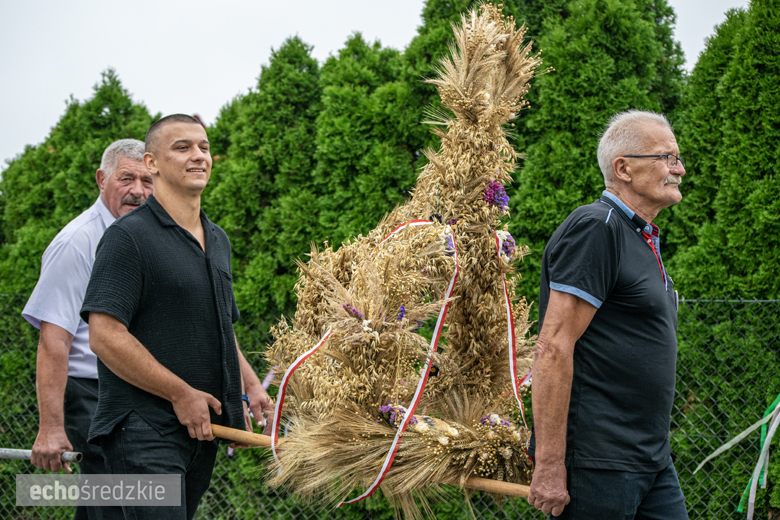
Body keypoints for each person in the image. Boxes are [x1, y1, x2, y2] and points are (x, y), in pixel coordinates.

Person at [80, 114, 273, 520]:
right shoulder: (128, 237)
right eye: (182, 147)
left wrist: (251, 385)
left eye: (203, 147)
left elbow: (221, 325)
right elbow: (104, 335)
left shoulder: (217, 238)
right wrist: (179, 393)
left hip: (201, 429)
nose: (197, 156)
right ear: (152, 163)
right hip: (141, 430)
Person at [526, 110, 689, 519]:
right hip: (599, 463)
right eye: (666, 157)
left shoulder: (641, 237)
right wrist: (549, 465)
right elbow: (552, 347)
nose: (680, 169)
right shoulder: (597, 228)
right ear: (624, 169)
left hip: (651, 460)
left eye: (678, 157)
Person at [23, 138, 153, 520]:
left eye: (147, 181)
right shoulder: (77, 242)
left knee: (135, 500)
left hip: (141, 390)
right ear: (101, 179)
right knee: (113, 500)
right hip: (90, 392)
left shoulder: (156, 235)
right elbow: (53, 341)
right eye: (126, 178)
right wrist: (50, 428)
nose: (138, 191)